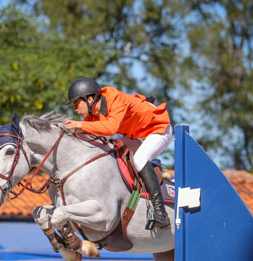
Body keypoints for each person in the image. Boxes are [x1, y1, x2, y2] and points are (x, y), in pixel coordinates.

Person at [63, 77, 172, 229]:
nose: (75, 109)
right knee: (110, 150)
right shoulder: (93, 112)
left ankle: (161, 212)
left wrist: (79, 125)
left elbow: (110, 129)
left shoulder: (116, 99)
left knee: (140, 159)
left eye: (76, 104)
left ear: (89, 99)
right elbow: (93, 135)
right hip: (133, 134)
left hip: (159, 129)